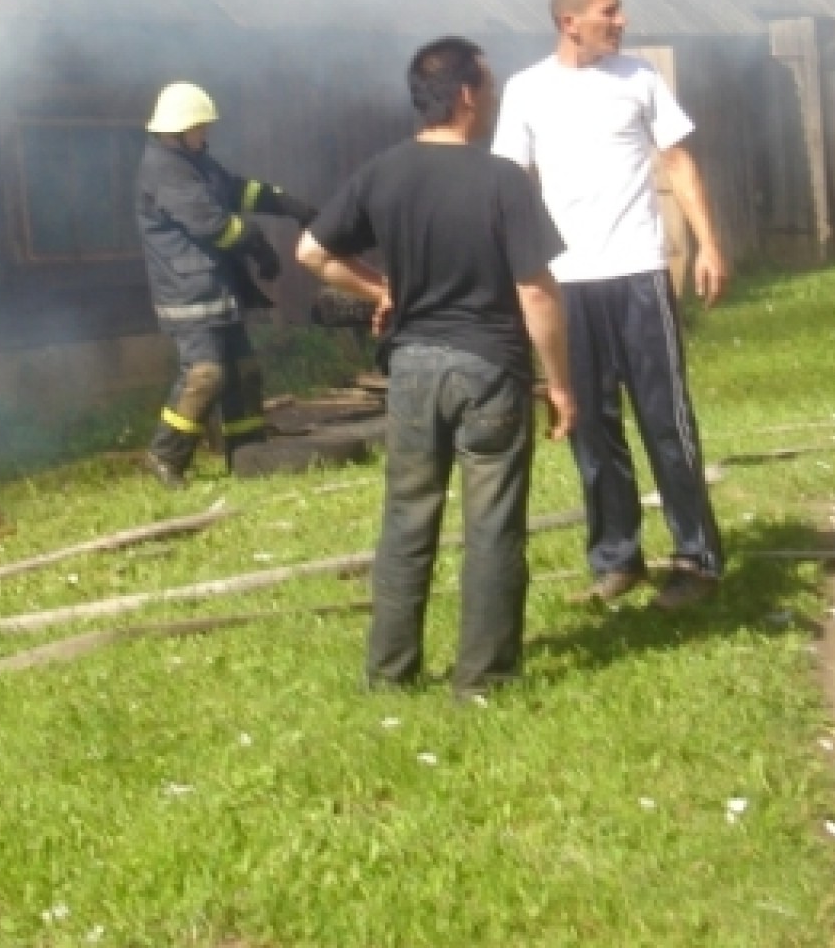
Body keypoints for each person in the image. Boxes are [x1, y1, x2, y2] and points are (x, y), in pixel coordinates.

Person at [298, 37, 574, 695]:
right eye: (490, 80)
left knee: (407, 518)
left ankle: (390, 674)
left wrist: (379, 289)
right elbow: (536, 291)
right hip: (489, 370)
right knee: (493, 525)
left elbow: (311, 251)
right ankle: (483, 678)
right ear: (468, 94)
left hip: (413, 370)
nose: (496, 89)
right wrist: (561, 382)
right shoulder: (502, 179)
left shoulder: (382, 173)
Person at [492, 0, 728, 610]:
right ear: (570, 22)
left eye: (618, 11)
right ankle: (617, 558)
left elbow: (678, 161)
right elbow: (512, 184)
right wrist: (515, 272)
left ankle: (696, 559)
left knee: (666, 422)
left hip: (638, 273)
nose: (621, 22)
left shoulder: (640, 79)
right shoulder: (526, 91)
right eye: (608, 11)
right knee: (591, 427)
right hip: (567, 282)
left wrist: (707, 244)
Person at [136, 81, 318, 487]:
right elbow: (210, 222)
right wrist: (258, 245)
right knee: (206, 375)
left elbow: (235, 190)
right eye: (200, 128)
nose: (205, 135)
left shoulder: (194, 161)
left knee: (243, 371)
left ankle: (247, 452)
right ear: (178, 130)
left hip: (217, 289)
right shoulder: (164, 170)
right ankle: (165, 456)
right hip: (189, 294)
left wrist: (287, 204)